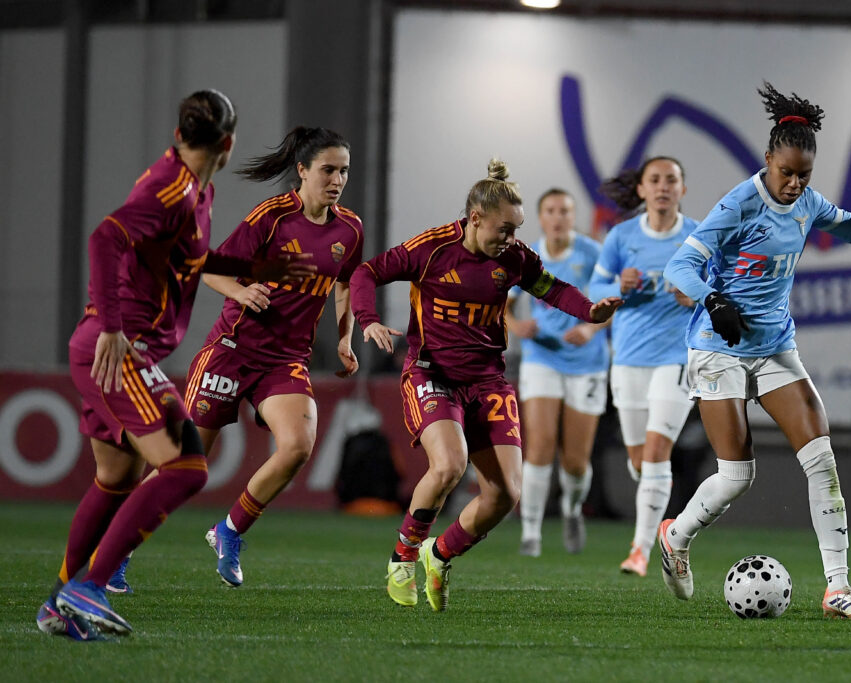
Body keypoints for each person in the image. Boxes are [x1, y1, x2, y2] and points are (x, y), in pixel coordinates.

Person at [660, 82, 851, 620]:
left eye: (804, 175)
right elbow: (679, 267)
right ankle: (676, 538)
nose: (794, 184)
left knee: (822, 461)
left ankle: (838, 588)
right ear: (768, 159)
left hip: (774, 348)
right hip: (718, 348)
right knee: (737, 476)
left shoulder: (807, 202)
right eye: (786, 172)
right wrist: (713, 298)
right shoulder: (739, 203)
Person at [36, 90, 315, 639]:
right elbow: (105, 238)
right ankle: (88, 588)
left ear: (180, 134)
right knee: (187, 467)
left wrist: (255, 263)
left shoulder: (192, 187)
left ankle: (59, 603)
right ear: (229, 143)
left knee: (116, 478)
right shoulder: (171, 191)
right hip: (117, 348)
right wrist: (114, 325)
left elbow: (189, 258)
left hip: (104, 347)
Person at [350, 159, 622, 612]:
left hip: (488, 380)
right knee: (448, 466)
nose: (512, 239)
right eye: (504, 229)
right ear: (475, 218)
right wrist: (368, 319)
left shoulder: (513, 258)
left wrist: (590, 311)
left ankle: (439, 554)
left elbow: (553, 289)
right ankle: (402, 557)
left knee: (505, 494)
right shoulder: (432, 248)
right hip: (432, 373)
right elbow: (366, 273)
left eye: (517, 229)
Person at [181, 126, 363, 587]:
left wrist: (345, 337)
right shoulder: (273, 216)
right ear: (301, 171)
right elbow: (212, 270)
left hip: (284, 360)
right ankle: (115, 552)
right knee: (182, 470)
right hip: (232, 351)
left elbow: (344, 283)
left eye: (343, 170)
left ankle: (230, 530)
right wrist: (241, 293)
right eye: (327, 169)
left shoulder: (350, 228)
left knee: (298, 446)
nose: (337, 178)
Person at [587, 156, 699, 577]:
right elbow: (595, 288)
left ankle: (641, 550)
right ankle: (658, 519)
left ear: (682, 189)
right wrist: (619, 286)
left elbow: (721, 288)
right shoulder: (621, 237)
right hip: (629, 359)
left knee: (655, 453)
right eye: (655, 180)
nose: (663, 187)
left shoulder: (698, 236)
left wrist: (697, 295)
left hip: (677, 358)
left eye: (672, 179)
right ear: (642, 190)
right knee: (640, 462)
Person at [506, 188, 610, 557]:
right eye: (550, 210)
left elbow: (610, 305)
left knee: (576, 461)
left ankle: (571, 509)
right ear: (541, 216)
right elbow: (503, 304)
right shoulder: (526, 258)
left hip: (587, 363)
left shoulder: (592, 254)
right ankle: (530, 533)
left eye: (565, 210)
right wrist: (517, 329)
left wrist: (590, 328)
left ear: (572, 215)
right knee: (540, 446)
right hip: (542, 359)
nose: (558, 217)